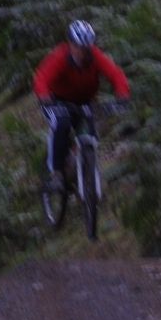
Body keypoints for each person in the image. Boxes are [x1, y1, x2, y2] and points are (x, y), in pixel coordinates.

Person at [33, 20, 130, 191]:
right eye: (78, 46)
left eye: (86, 47)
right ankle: (56, 173)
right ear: (70, 44)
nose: (82, 52)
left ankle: (86, 172)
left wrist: (122, 96)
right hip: (57, 100)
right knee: (61, 123)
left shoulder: (96, 57)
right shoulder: (59, 57)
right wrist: (45, 98)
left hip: (85, 101)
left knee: (90, 131)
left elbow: (115, 74)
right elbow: (42, 78)